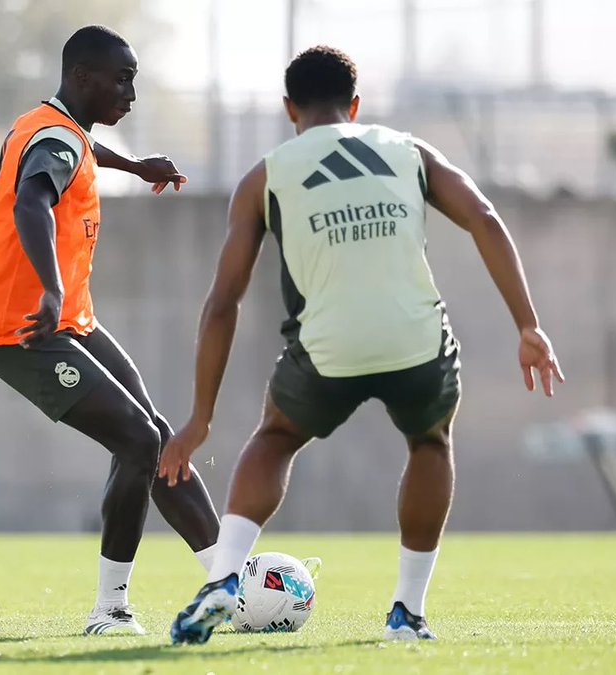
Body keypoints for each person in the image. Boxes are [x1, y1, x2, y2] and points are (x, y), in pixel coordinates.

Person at [162, 46, 564, 644]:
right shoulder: (407, 151)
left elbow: (223, 303)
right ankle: (408, 612)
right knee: (429, 442)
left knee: (276, 437)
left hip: (327, 350)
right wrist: (528, 324)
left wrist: (200, 418)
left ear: (287, 109)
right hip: (416, 343)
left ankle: (223, 580)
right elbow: (482, 215)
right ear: (356, 105)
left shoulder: (265, 176)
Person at [0, 25, 219, 636]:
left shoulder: (56, 128)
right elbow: (30, 202)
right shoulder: (53, 140)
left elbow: (74, 153)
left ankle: (226, 577)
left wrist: (134, 164)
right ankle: (110, 610)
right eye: (121, 80)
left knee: (153, 434)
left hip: (67, 318)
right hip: (18, 325)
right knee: (135, 441)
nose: (130, 94)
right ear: (82, 78)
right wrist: (48, 286)